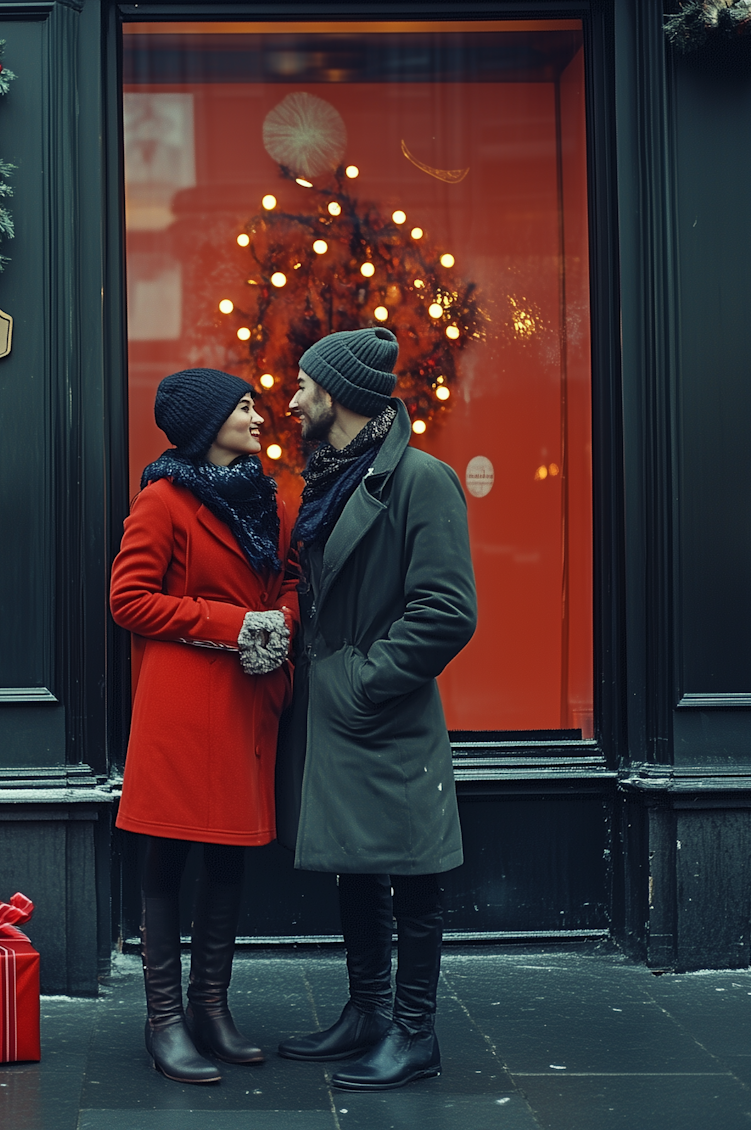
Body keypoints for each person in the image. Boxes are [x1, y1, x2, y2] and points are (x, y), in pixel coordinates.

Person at [274, 327, 478, 1091]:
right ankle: (366, 1011)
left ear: (336, 397)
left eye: (303, 385)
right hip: (337, 710)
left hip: (382, 710)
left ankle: (415, 1033)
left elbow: (448, 610)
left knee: (413, 874)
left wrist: (365, 679)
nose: (291, 399)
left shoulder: (423, 480)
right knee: (354, 866)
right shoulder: (330, 480)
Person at [110, 368, 300, 1085]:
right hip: (184, 702)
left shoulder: (266, 500)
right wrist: (232, 625)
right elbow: (128, 599)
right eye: (245, 406)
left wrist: (281, 622)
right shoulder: (164, 500)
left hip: (249, 700)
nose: (259, 417)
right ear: (207, 422)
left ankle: (211, 1006)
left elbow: (290, 580)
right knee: (169, 852)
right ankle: (164, 1021)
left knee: (231, 849)